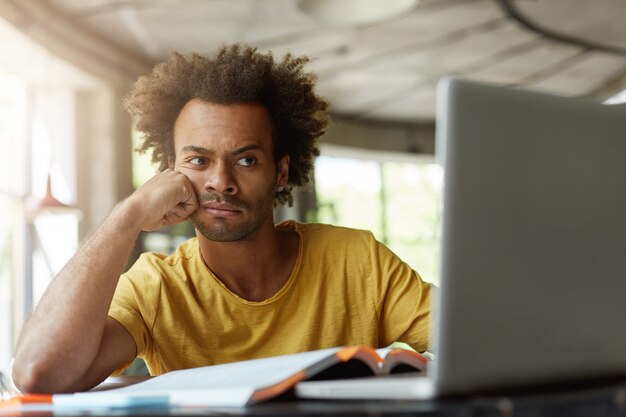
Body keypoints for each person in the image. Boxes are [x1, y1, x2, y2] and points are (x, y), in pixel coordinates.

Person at [12, 44, 434, 394]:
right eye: (198, 159)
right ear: (170, 170)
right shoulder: (158, 286)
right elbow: (39, 375)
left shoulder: (358, 261)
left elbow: (480, 341)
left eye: (246, 159)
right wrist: (125, 218)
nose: (221, 181)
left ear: (281, 170)